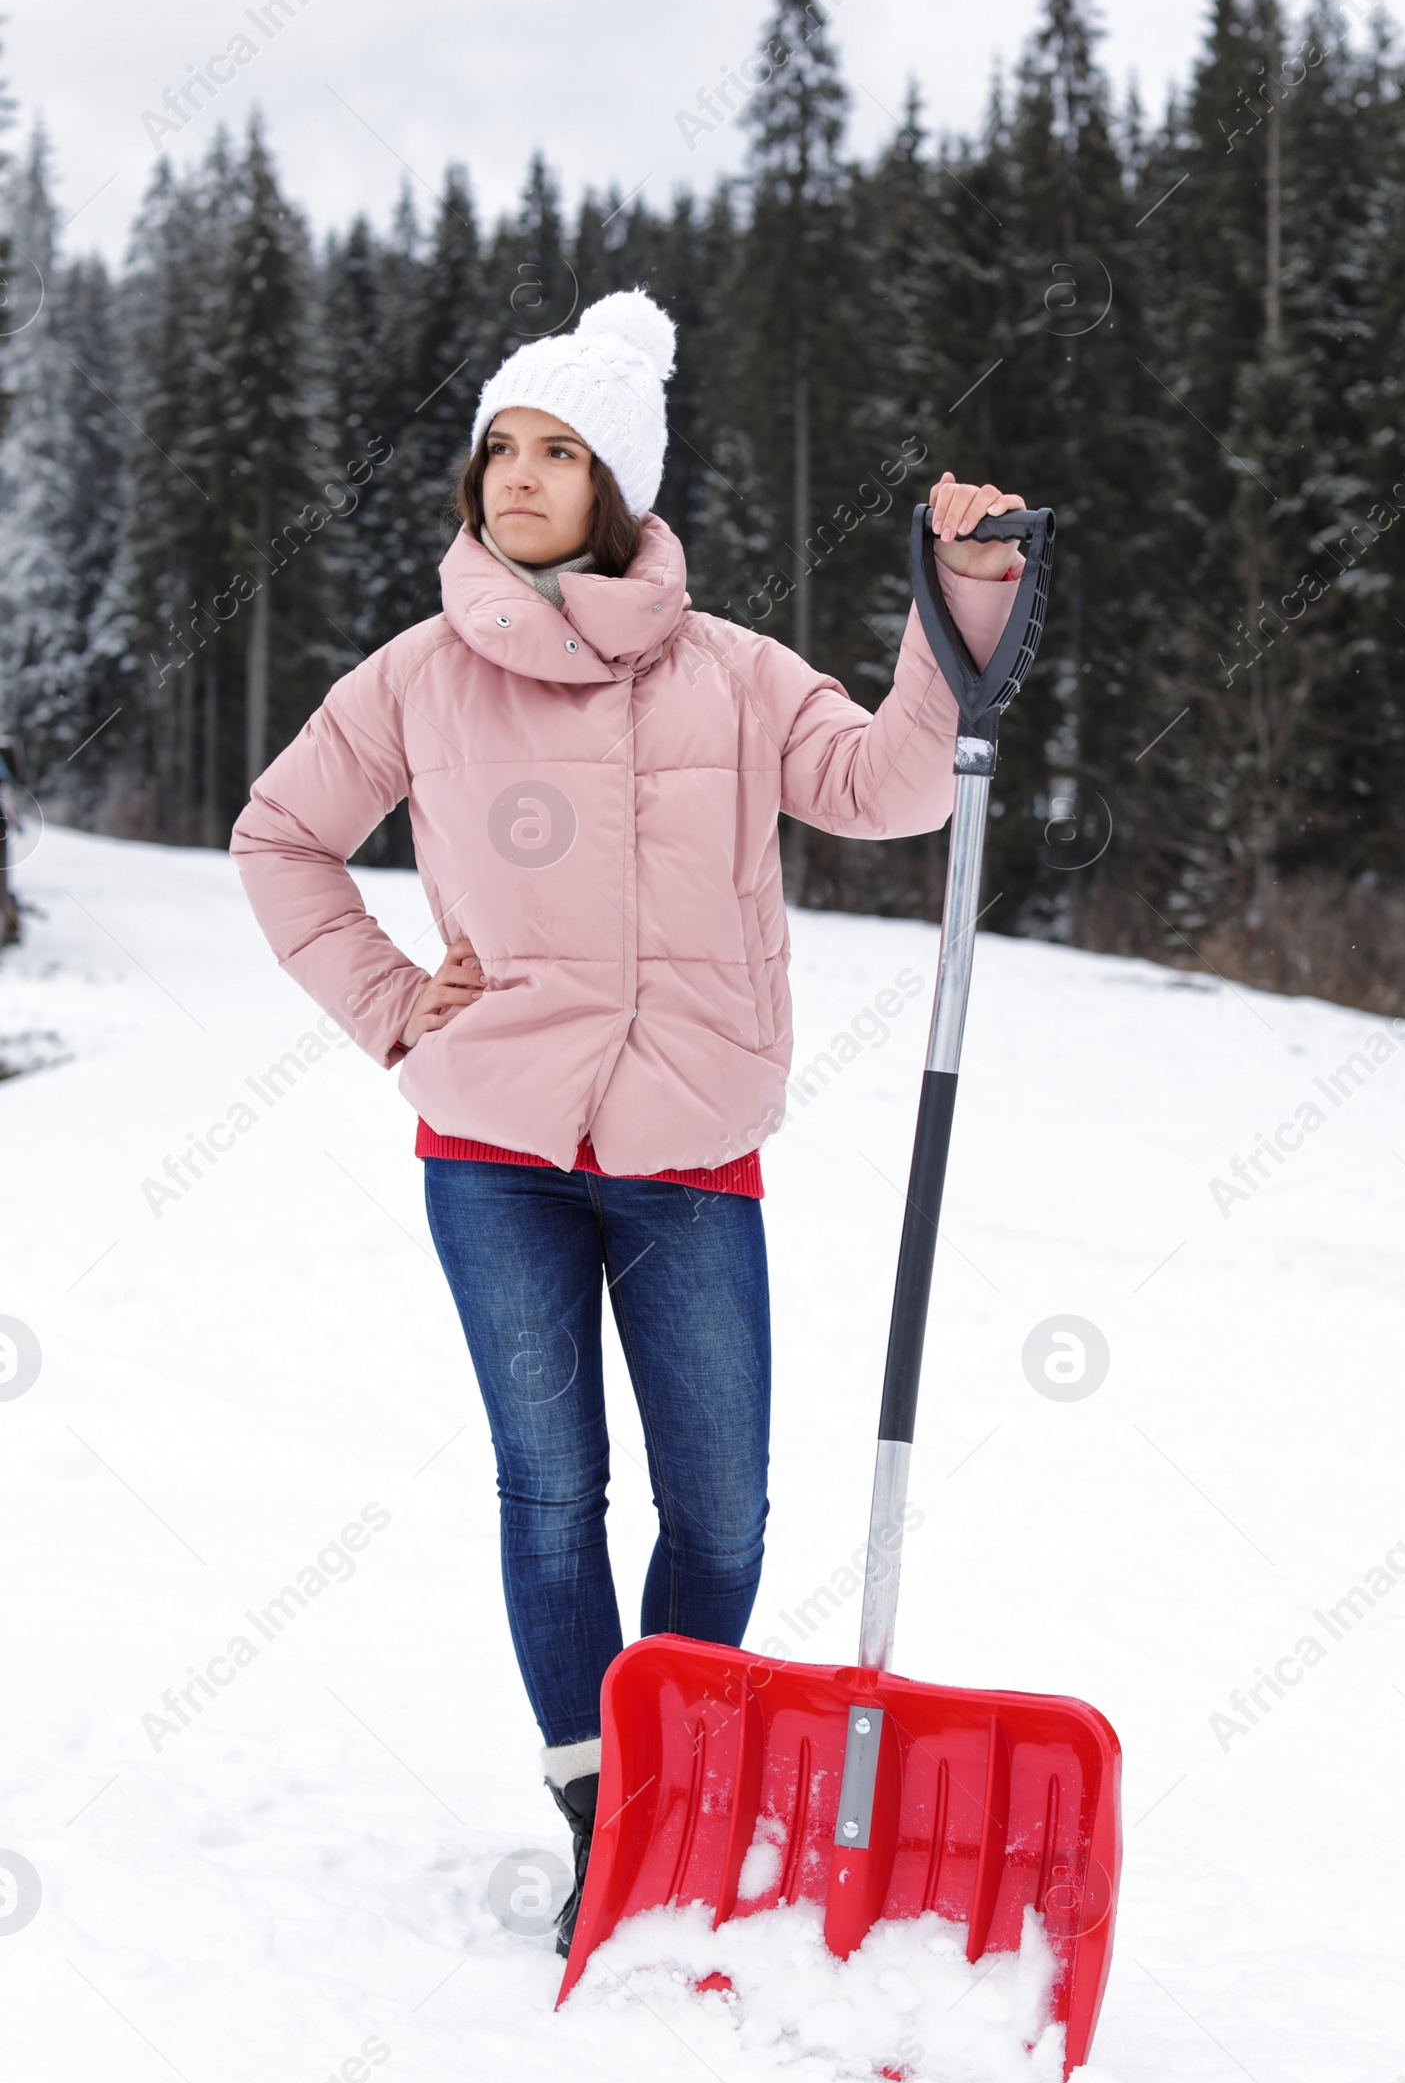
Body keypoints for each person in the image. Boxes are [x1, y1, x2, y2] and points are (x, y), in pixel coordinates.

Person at [231, 287, 1027, 1951]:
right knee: (550, 1493)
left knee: (721, 1509)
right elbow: (278, 838)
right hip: (492, 1153)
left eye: (558, 450)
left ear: (622, 487)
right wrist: (388, 1000)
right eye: (499, 447)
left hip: (688, 1150)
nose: (517, 474)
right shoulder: (416, 677)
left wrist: (963, 593)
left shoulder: (731, 675)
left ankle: (694, 1773)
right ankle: (614, 1814)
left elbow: (886, 788)